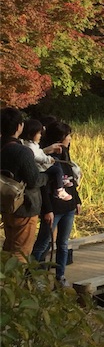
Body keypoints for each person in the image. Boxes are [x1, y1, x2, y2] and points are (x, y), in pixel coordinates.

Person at [31, 122, 80, 285]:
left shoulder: (66, 154)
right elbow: (43, 187)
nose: (70, 139)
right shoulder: (48, 159)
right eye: (68, 136)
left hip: (68, 207)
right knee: (43, 243)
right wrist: (47, 210)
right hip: (54, 208)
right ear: (60, 138)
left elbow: (71, 180)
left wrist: (77, 200)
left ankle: (60, 276)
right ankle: (31, 276)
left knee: (63, 244)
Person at [1, 107, 52, 259]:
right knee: (20, 252)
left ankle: (5, 280)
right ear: (19, 127)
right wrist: (48, 176)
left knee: (9, 247)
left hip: (6, 203)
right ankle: (13, 282)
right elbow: (34, 180)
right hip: (25, 206)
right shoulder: (22, 151)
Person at [20, 118, 70, 202]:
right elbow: (36, 156)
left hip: (42, 164)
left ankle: (62, 179)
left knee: (56, 160)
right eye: (39, 133)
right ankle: (59, 189)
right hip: (40, 167)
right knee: (57, 170)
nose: (41, 135)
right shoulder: (30, 146)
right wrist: (47, 159)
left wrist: (48, 156)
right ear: (31, 134)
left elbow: (39, 152)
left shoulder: (33, 144)